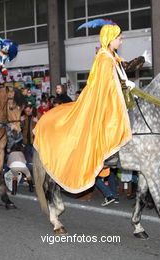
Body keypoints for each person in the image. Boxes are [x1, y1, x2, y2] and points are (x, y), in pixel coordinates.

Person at [34, 24, 144, 193]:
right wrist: (124, 84)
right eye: (119, 38)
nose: (121, 42)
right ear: (111, 39)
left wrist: (139, 63)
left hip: (109, 98)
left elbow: (121, 71)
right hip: (101, 100)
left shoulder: (111, 56)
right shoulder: (105, 58)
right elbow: (106, 84)